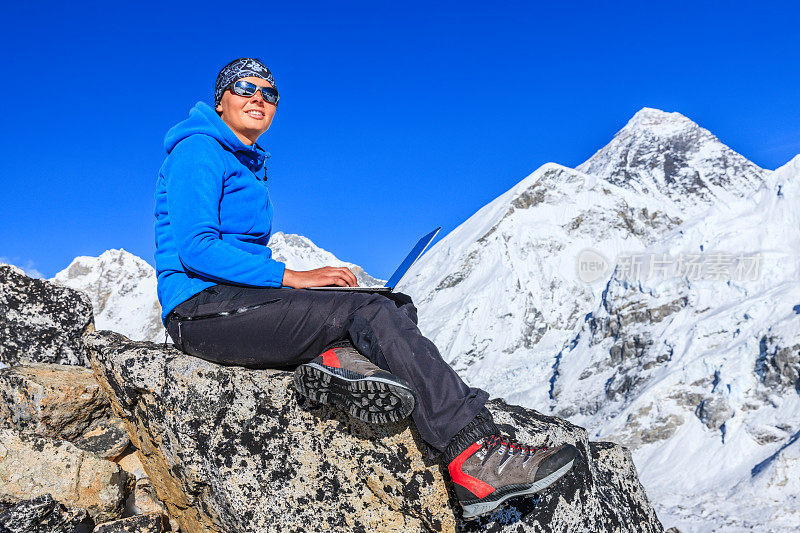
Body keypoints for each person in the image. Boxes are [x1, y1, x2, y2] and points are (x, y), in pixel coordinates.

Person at [154, 57, 578, 519]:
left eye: (270, 93)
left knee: (387, 305)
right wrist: (294, 278)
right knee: (370, 316)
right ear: (221, 100)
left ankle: (339, 360)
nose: (259, 98)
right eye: (245, 88)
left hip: (237, 301)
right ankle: (475, 458)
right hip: (199, 310)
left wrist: (307, 290)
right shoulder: (198, 149)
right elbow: (196, 248)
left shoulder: (246, 162)